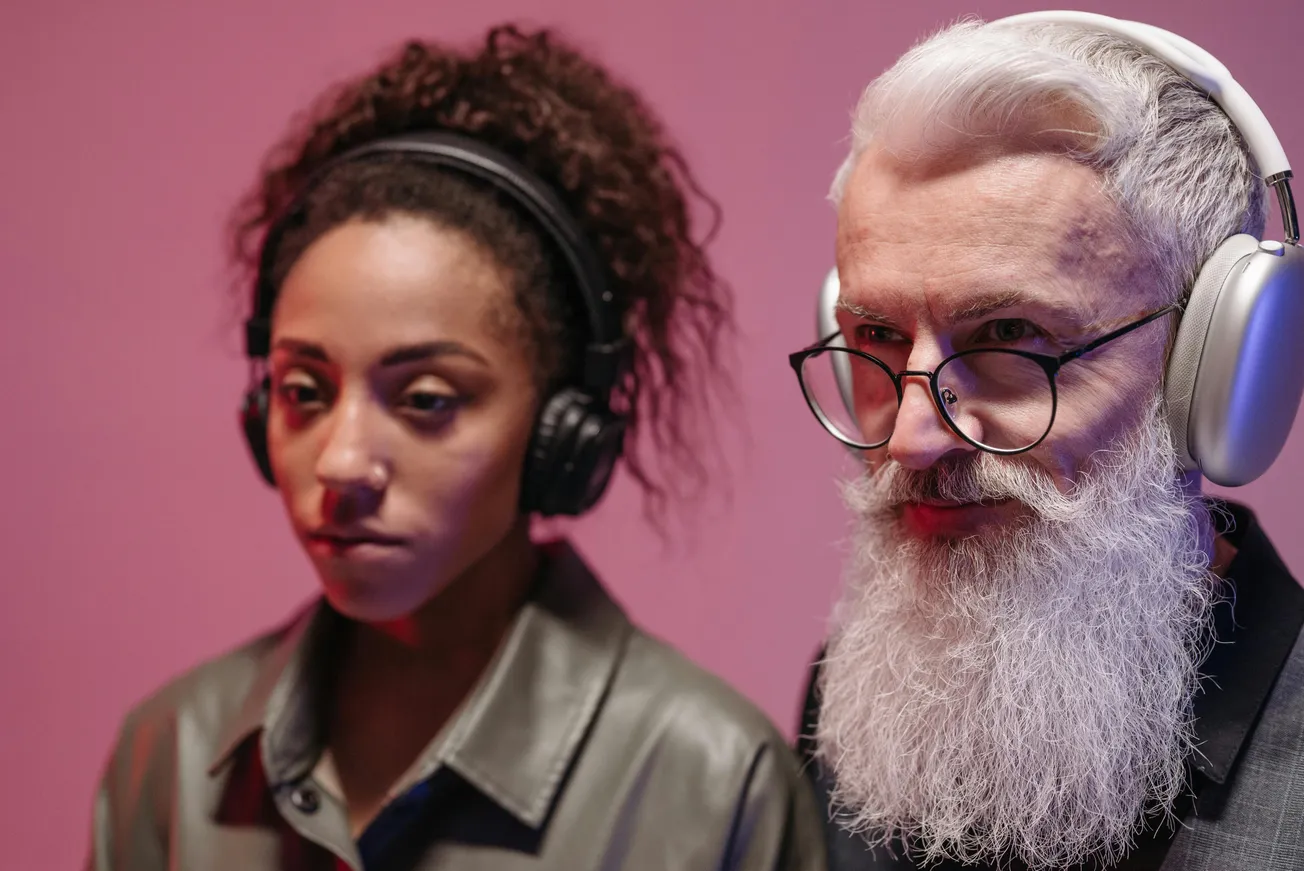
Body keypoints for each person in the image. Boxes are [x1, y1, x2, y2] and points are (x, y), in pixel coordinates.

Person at [87, 25, 826, 871]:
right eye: (303, 393)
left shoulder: (716, 782)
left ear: (562, 434)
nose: (340, 463)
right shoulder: (169, 754)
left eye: (426, 401)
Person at [789, 11, 1304, 871]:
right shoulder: (851, 697)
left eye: (1009, 334)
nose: (914, 439)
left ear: (1215, 364)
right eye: (876, 335)